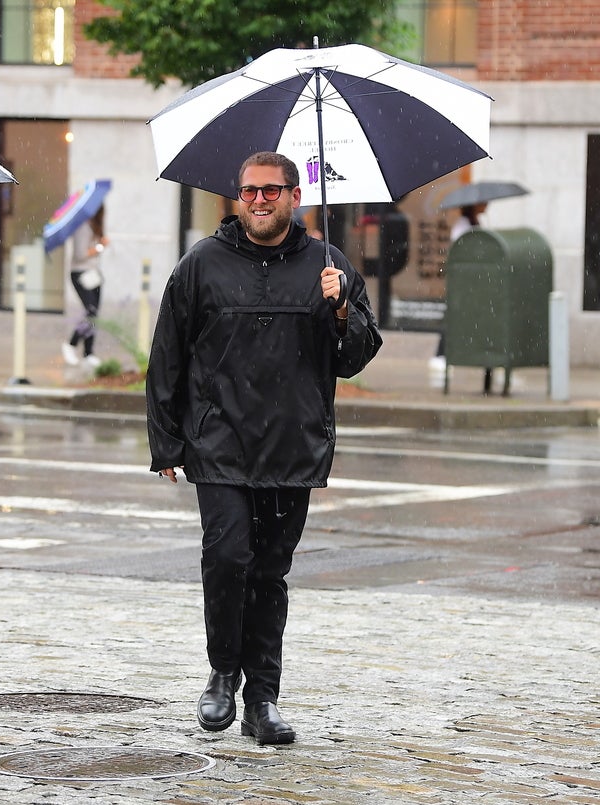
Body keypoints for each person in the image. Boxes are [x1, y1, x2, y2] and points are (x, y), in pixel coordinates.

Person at [146, 151, 382, 745]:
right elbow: (167, 355)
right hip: (219, 442)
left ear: (294, 197)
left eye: (270, 192)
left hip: (291, 446)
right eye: (248, 191)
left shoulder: (328, 267)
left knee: (270, 573)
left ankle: (263, 700)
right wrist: (166, 440)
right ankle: (223, 672)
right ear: (237, 197)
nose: (258, 201)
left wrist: (342, 309)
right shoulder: (202, 264)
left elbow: (355, 357)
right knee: (227, 560)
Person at [431, 201, 488, 373]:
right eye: (484, 203)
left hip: (473, 281)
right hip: (462, 281)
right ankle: (440, 354)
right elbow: (460, 252)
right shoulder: (462, 226)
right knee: (454, 316)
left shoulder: (475, 223)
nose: (487, 206)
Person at [61, 204, 109, 368]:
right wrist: (99, 247)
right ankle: (71, 345)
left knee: (93, 314)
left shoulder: (93, 226)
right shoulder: (82, 227)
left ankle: (88, 353)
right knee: (90, 311)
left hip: (93, 274)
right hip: (81, 274)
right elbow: (80, 254)